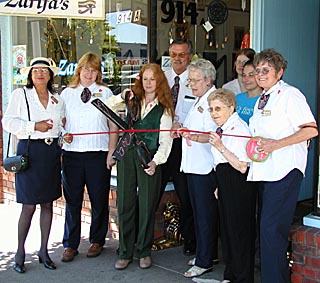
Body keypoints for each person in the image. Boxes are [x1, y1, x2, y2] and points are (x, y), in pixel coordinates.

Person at [248, 48, 318, 283]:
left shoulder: (290, 95)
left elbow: (311, 129)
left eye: (266, 70)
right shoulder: (262, 98)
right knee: (268, 231)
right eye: (258, 70)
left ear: (280, 72)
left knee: (270, 230)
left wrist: (276, 144)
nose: (261, 74)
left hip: (285, 171)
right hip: (265, 171)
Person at [2, 57, 64, 273]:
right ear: (30, 75)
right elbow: (8, 122)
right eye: (35, 70)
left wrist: (66, 136)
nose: (40, 74)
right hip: (30, 151)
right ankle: (20, 253)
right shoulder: (21, 95)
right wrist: (33, 126)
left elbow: (62, 125)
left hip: (51, 153)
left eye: (44, 70)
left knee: (48, 204)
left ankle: (44, 251)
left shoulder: (57, 99)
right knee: (28, 205)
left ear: (50, 75)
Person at [114, 63, 174, 270]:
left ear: (159, 82)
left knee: (147, 206)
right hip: (126, 157)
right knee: (125, 204)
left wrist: (156, 162)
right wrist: (122, 94)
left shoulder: (164, 109)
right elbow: (108, 106)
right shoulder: (132, 101)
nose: (148, 83)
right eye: (144, 78)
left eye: (152, 79)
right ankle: (125, 251)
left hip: (149, 159)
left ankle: (143, 251)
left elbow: (166, 141)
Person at [60, 52, 119, 262]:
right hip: (72, 155)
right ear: (79, 70)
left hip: (98, 154)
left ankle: (97, 240)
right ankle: (70, 244)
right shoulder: (66, 93)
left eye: (94, 70)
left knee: (98, 199)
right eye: (86, 69)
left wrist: (111, 153)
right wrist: (62, 135)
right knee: (73, 200)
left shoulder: (105, 92)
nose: (89, 73)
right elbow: (59, 122)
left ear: (98, 73)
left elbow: (114, 125)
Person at [207, 88, 257, 283]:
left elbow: (242, 166)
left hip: (239, 182)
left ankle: (243, 277)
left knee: (240, 231)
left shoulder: (239, 129)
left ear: (231, 107)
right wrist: (220, 185)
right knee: (228, 230)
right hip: (225, 179)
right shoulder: (224, 129)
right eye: (211, 109)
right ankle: (232, 273)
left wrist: (220, 146)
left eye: (218, 108)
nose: (214, 113)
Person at [178, 58, 219, 278]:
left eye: (194, 80)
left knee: (204, 215)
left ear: (207, 79)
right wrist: (183, 129)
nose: (191, 85)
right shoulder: (200, 99)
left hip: (206, 168)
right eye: (190, 81)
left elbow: (214, 135)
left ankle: (204, 261)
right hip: (193, 166)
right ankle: (207, 253)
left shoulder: (214, 100)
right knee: (199, 213)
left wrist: (190, 134)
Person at [160, 38, 197, 256]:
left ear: (190, 56)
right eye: (173, 54)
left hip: (186, 146)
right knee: (152, 193)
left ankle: (189, 239)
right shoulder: (161, 79)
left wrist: (181, 125)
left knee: (187, 195)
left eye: (182, 54)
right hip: (163, 145)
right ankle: (141, 242)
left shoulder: (196, 80)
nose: (177, 59)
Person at [236, 60, 262, 124]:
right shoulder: (237, 98)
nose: (246, 79)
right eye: (244, 75)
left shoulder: (264, 100)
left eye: (251, 75)